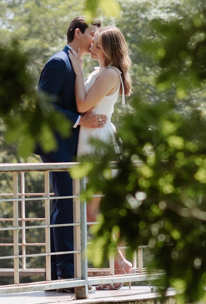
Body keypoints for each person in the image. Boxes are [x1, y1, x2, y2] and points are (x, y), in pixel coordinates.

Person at [37, 16, 105, 288]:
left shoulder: (74, 64)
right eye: (92, 35)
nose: (95, 41)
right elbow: (43, 105)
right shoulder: (58, 62)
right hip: (58, 146)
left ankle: (63, 274)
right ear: (78, 34)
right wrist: (79, 121)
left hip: (74, 147)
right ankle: (66, 276)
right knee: (66, 206)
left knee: (69, 207)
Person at [68, 26, 134, 284]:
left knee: (94, 211)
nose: (92, 48)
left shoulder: (109, 74)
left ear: (108, 49)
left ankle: (120, 264)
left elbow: (83, 105)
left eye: (97, 46)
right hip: (92, 137)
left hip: (98, 141)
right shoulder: (102, 72)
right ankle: (118, 267)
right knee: (96, 210)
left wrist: (78, 71)